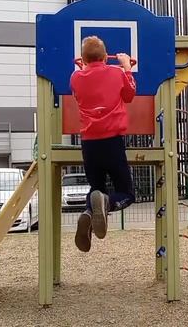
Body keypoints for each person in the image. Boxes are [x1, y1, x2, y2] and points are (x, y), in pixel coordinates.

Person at [69, 36, 137, 252]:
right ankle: (107, 204)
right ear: (106, 57)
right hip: (112, 142)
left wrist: (84, 68)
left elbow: (80, 91)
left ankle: (89, 213)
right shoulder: (116, 73)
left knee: (96, 189)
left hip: (89, 144)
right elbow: (129, 95)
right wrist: (126, 66)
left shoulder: (75, 77)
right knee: (126, 193)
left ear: (85, 59)